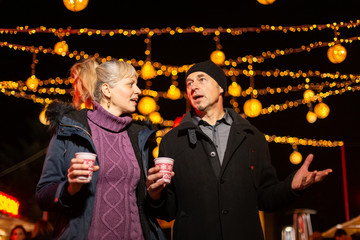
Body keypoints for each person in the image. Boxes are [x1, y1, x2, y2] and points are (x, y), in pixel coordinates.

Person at [146, 60, 333, 240]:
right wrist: (155, 196)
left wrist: (291, 186)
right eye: (189, 83)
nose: (193, 86)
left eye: (202, 79)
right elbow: (168, 211)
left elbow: (265, 197)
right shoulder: (173, 141)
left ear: (220, 87)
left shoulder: (252, 137)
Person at [36, 59, 165, 240]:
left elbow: (149, 207)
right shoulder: (70, 127)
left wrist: (155, 194)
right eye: (131, 84)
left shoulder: (141, 136)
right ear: (106, 90)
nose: (139, 91)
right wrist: (70, 188)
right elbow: (43, 195)